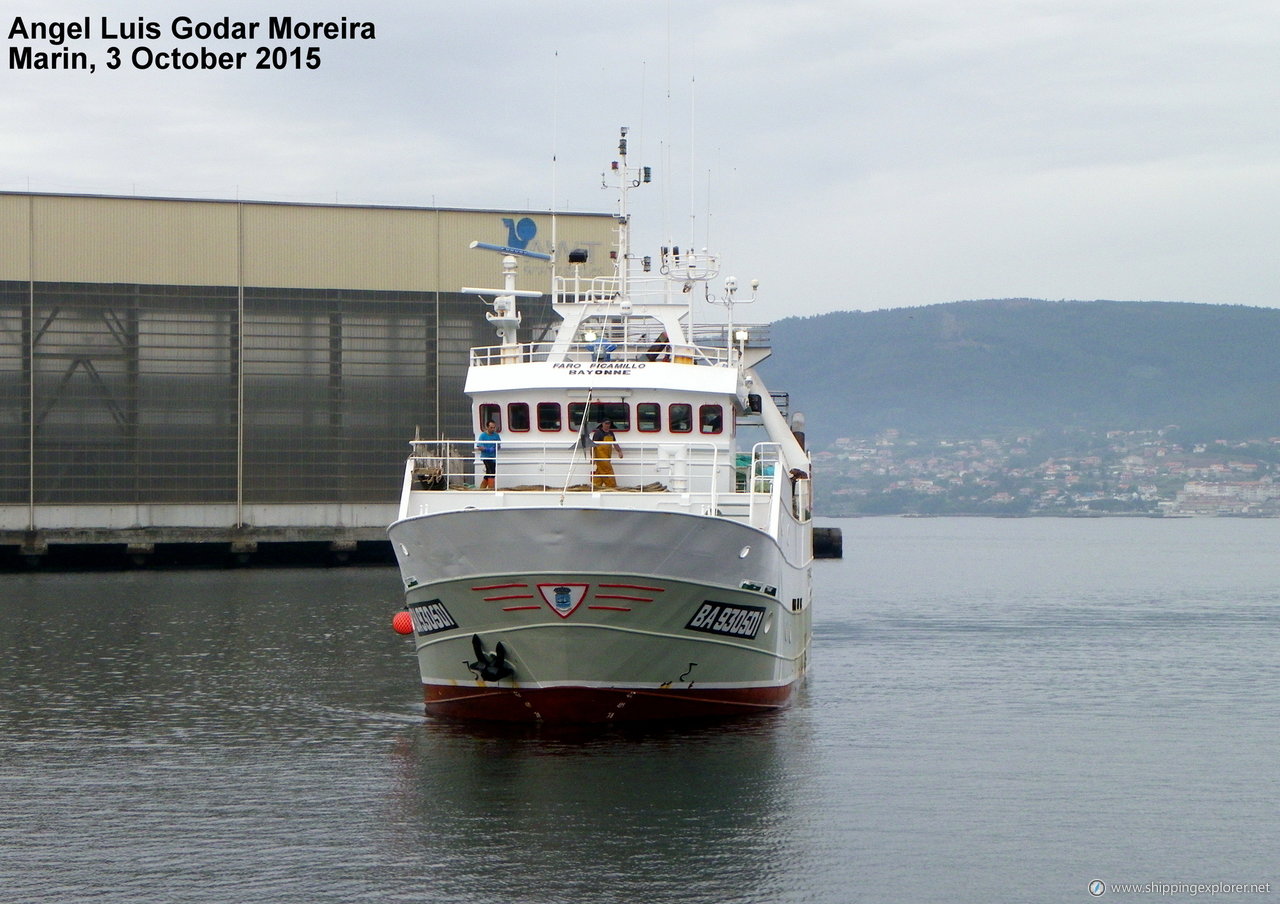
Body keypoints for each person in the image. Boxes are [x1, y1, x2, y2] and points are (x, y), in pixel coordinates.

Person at [590, 419, 623, 488]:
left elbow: (614, 443)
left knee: (600, 471)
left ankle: (596, 485)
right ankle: (612, 486)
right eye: (606, 423)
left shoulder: (611, 433)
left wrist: (619, 451)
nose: (607, 425)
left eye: (609, 423)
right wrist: (592, 457)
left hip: (607, 456)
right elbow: (592, 446)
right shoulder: (598, 433)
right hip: (600, 456)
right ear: (602, 423)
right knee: (608, 471)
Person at [475, 420, 500, 489]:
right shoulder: (483, 436)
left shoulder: (496, 435)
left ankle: (482, 488)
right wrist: (487, 449)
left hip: (493, 457)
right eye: (491, 427)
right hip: (486, 457)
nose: (493, 429)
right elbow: (479, 447)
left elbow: (499, 445)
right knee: (490, 472)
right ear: (487, 427)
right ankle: (491, 489)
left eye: (494, 427)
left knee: (491, 472)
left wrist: (495, 448)